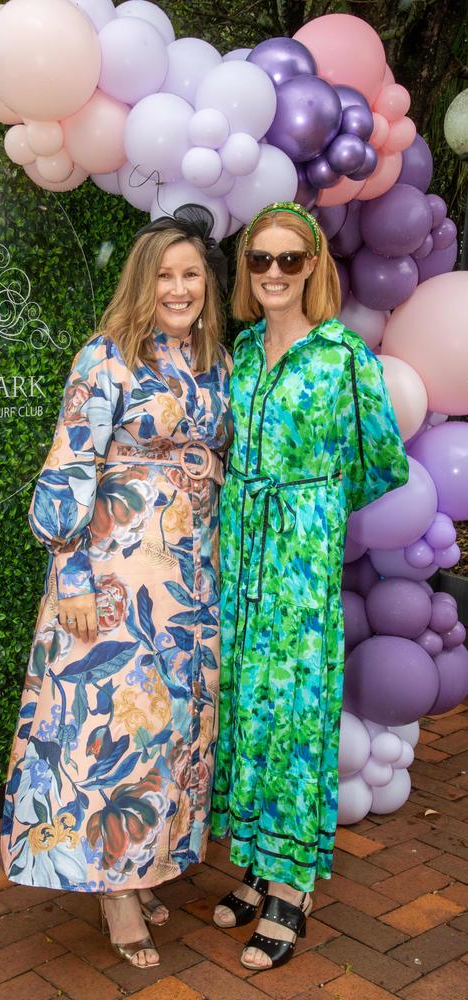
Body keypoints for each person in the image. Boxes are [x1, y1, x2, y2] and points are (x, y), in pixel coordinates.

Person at [1, 205, 232, 969]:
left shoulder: (215, 360)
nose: (178, 287)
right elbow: (68, 463)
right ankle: (114, 892)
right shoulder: (105, 358)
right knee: (113, 727)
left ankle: (141, 860)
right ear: (143, 281)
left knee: (168, 730)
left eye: (191, 273)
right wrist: (68, 571)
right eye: (164, 274)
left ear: (208, 282)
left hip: (191, 583)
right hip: (115, 576)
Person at [210, 201, 408, 972]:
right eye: (261, 259)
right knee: (248, 714)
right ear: (247, 268)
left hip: (299, 564)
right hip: (240, 562)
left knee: (293, 718)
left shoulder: (343, 355)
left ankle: (292, 890)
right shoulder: (245, 350)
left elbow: (379, 461)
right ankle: (258, 867)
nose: (273, 274)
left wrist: (310, 507)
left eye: (290, 260)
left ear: (315, 266)